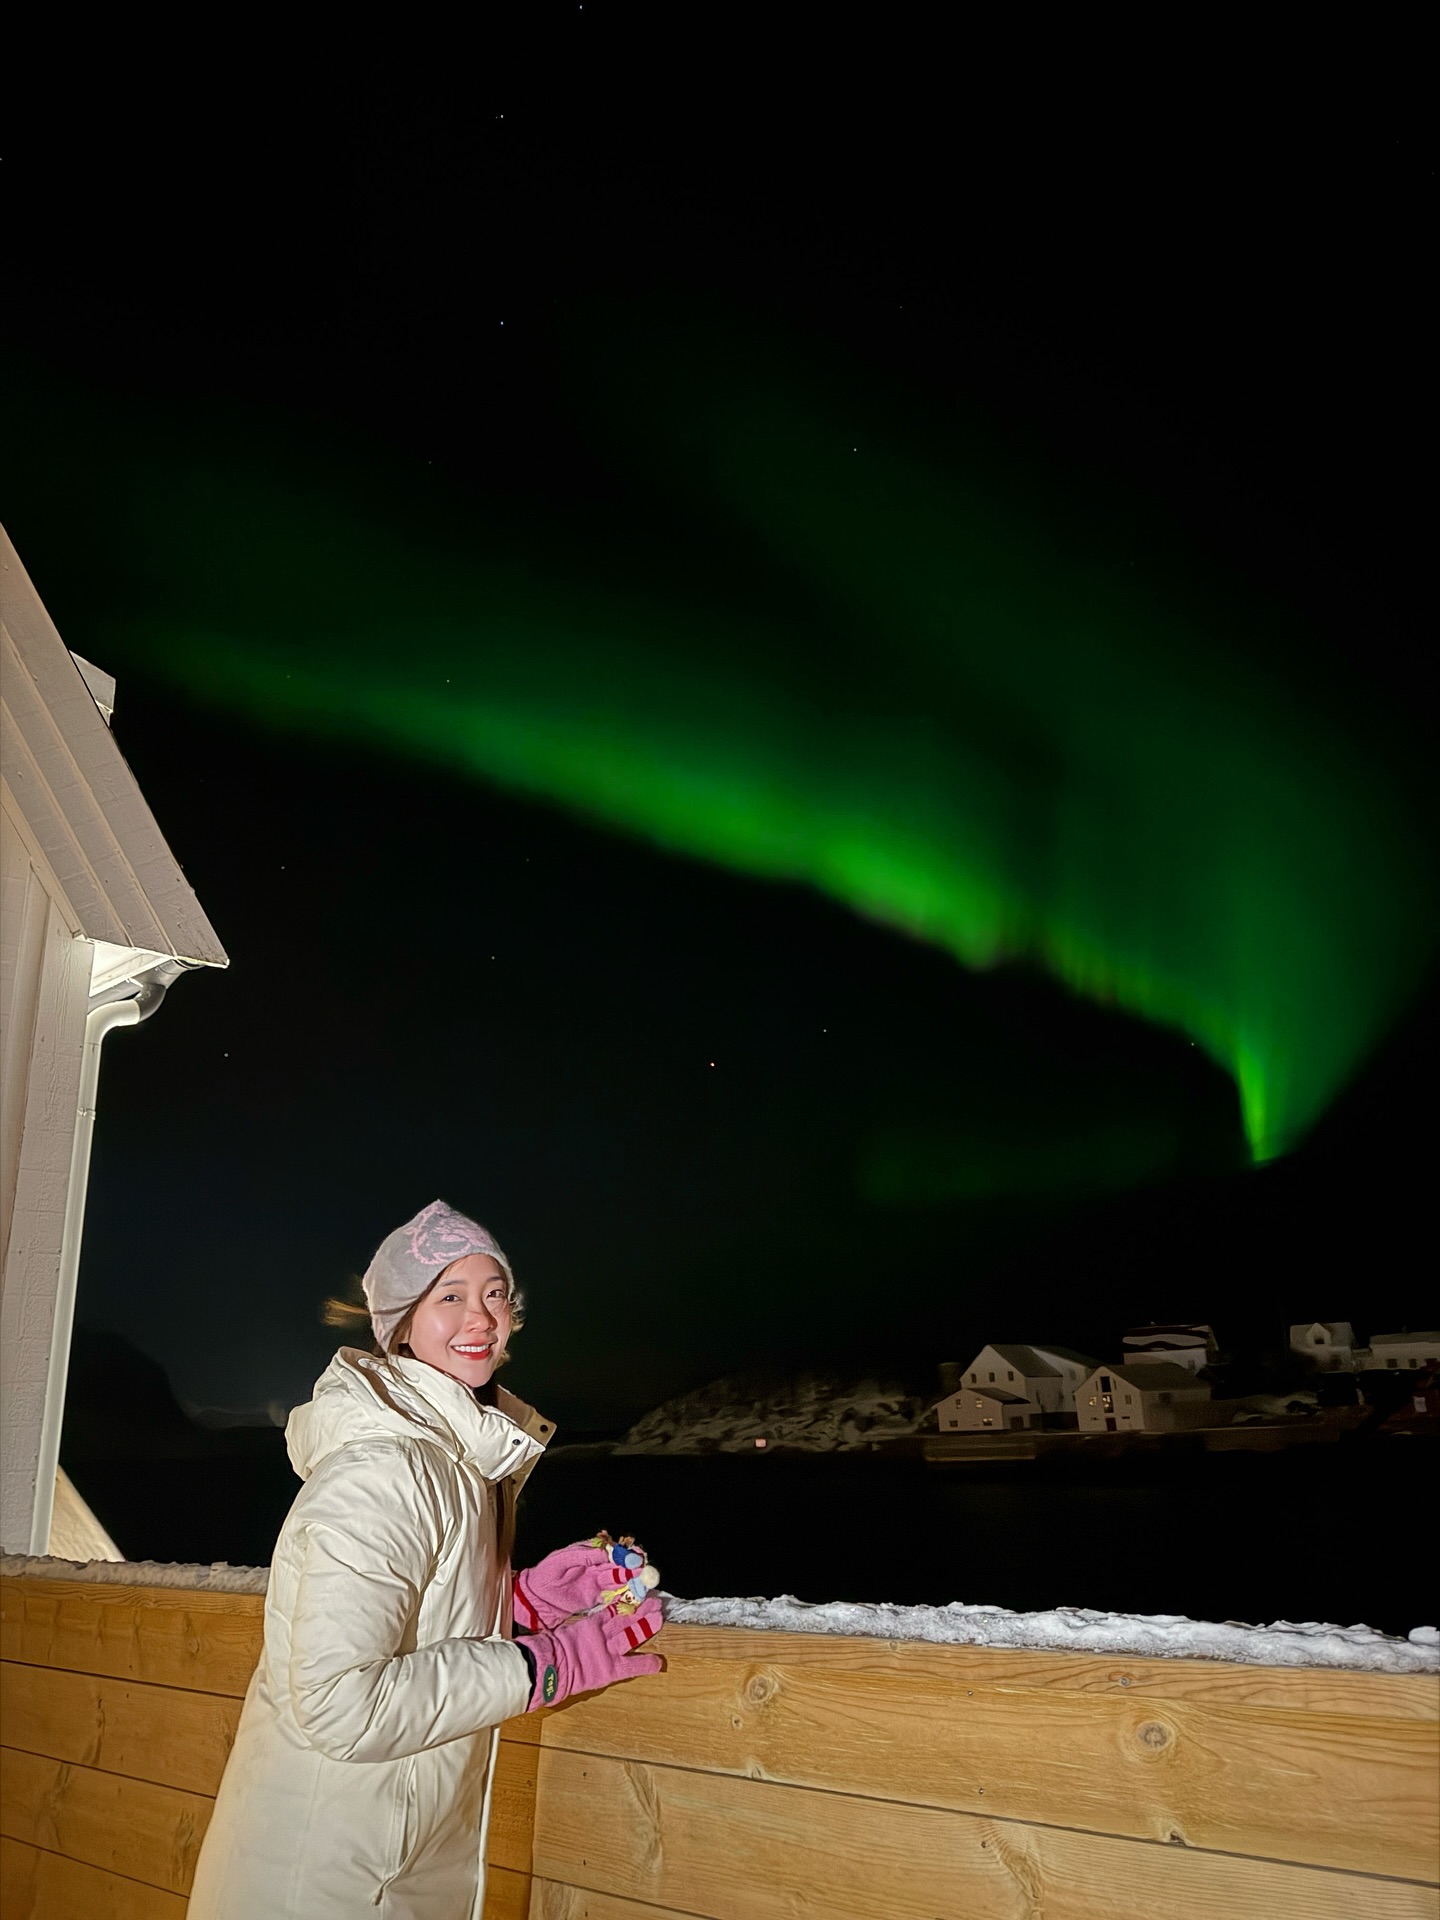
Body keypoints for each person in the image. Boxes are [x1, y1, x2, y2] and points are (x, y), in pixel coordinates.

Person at [188, 1199, 663, 1919]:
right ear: (402, 1325)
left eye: (494, 1294)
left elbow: (417, 1616)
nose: (481, 1317)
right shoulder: (386, 1467)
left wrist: (523, 1602)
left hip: (387, 1863)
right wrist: (546, 1665)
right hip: (325, 1878)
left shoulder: (454, 1458)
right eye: (450, 1296)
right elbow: (340, 1704)